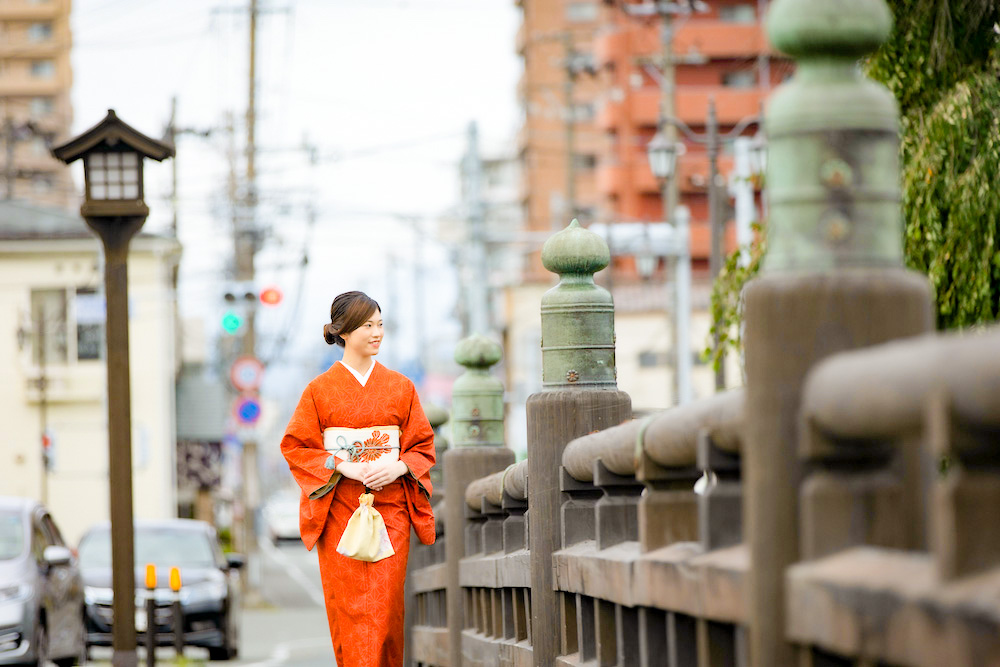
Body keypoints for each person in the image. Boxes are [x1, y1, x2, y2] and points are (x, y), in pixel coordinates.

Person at [279, 291, 436, 667]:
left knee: (385, 606)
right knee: (347, 607)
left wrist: (398, 466)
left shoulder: (401, 387)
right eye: (368, 325)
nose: (377, 332)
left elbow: (422, 445)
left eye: (380, 324)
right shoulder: (319, 390)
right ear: (344, 332)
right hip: (339, 511)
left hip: (391, 508)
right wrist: (341, 464)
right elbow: (296, 446)